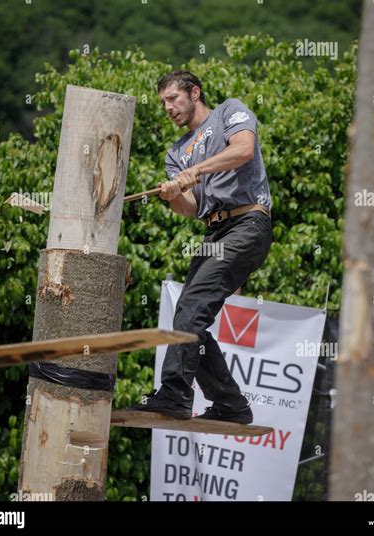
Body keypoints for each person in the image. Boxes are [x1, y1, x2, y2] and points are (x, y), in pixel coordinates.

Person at [128, 70, 272, 424]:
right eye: (163, 102)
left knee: (192, 308)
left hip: (247, 222)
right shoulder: (176, 152)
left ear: (195, 93)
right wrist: (175, 195)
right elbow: (190, 208)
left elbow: (243, 150)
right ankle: (231, 405)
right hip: (214, 233)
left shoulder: (229, 113)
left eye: (173, 98)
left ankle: (175, 394)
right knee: (189, 317)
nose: (168, 107)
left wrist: (198, 171)